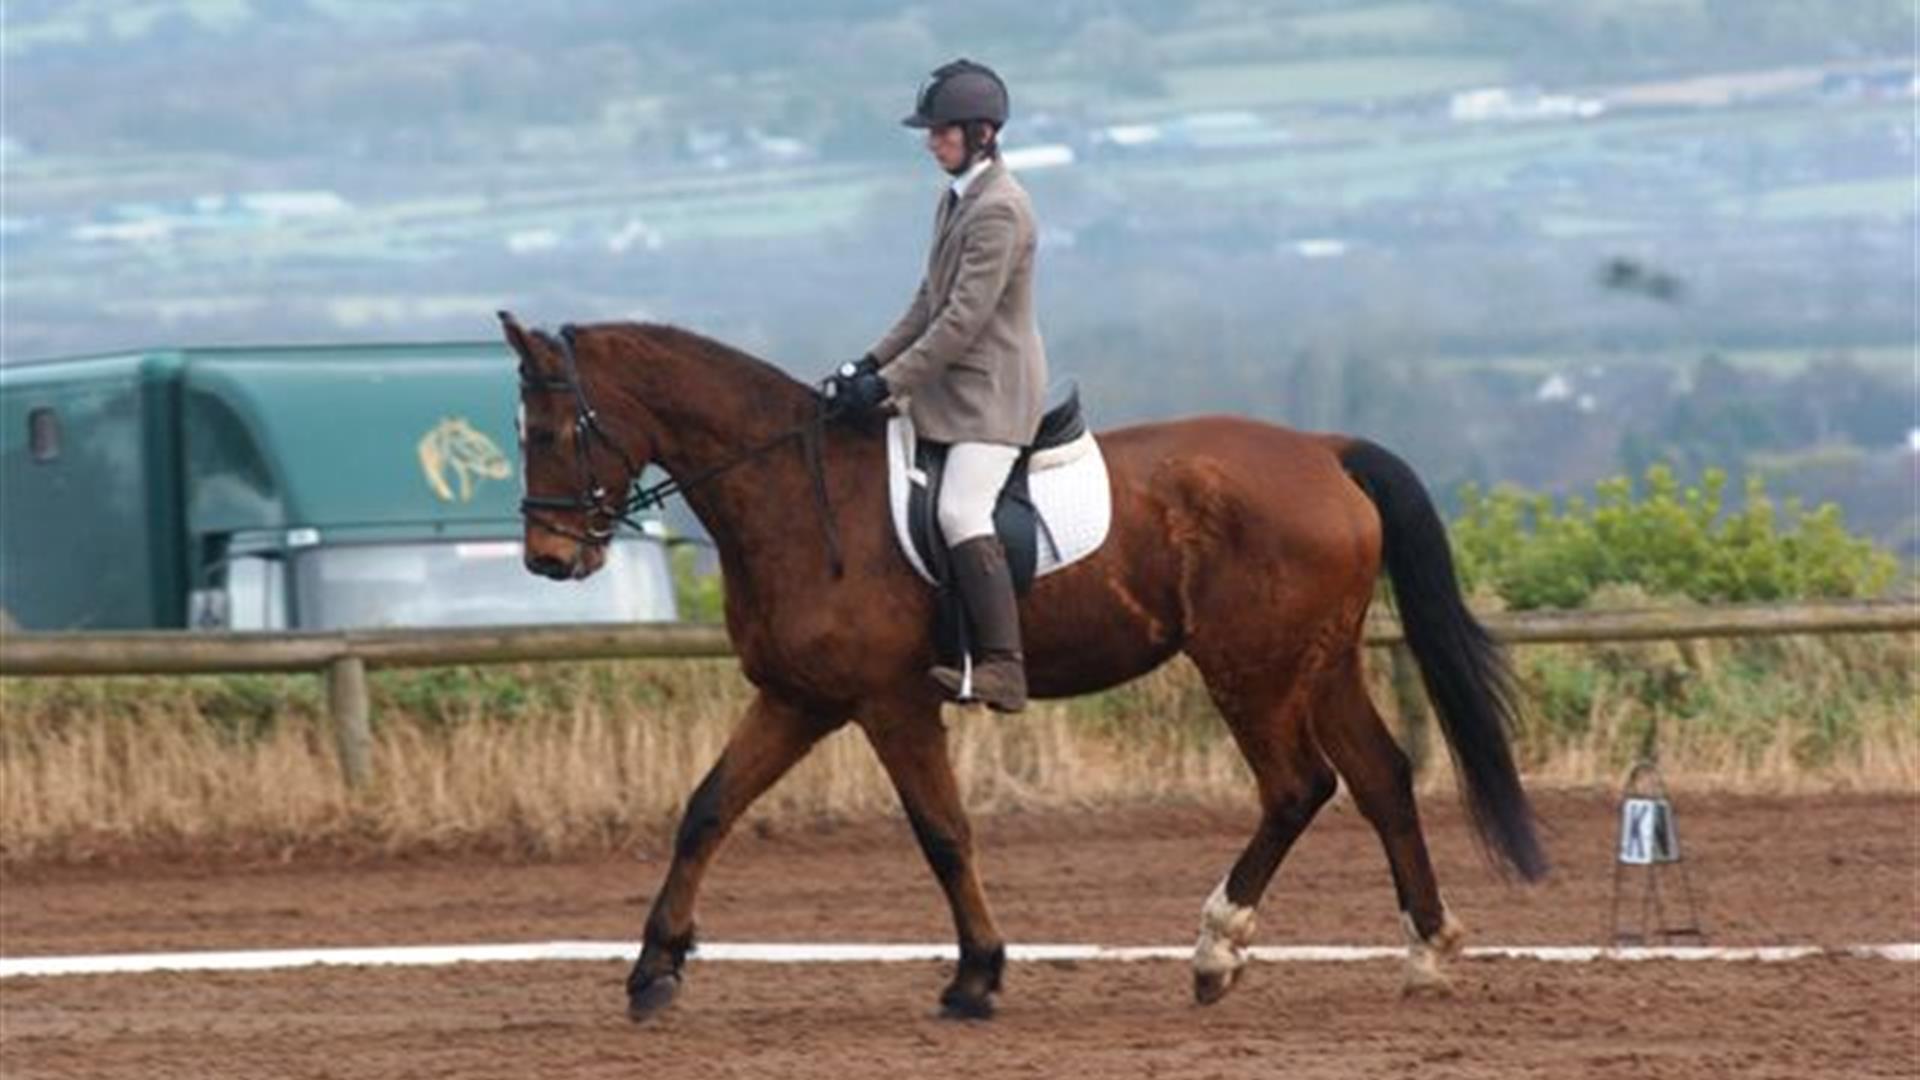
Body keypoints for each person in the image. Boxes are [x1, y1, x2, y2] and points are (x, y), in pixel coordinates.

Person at [825, 58, 1047, 713]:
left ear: (980, 133)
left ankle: (1004, 667)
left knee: (960, 511)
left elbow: (961, 323)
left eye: (942, 131)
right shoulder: (956, 198)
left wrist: (888, 383)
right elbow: (927, 301)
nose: (931, 141)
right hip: (947, 389)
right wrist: (866, 365)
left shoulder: (1002, 208)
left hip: (989, 396)